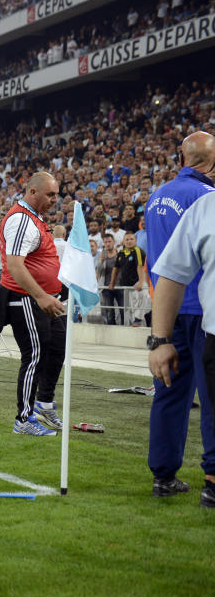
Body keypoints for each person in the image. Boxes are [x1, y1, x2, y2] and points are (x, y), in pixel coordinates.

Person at [144, 131, 215, 501]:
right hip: (202, 311)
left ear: (182, 157)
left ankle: (163, 476)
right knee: (210, 397)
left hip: (166, 311)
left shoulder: (156, 197)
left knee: (169, 391)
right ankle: (213, 479)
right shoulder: (207, 198)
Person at [0, 172, 66, 436]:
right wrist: (40, 295)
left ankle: (44, 403)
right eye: (50, 194)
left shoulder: (36, 219)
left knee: (57, 346)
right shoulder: (21, 219)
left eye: (56, 194)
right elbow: (13, 264)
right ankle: (23, 419)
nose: (54, 200)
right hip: (24, 299)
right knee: (34, 355)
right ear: (32, 192)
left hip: (44, 299)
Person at [109, 232, 148, 326]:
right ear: (123, 241)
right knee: (129, 310)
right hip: (125, 285)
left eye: (131, 239)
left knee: (143, 298)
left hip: (137, 283)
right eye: (127, 239)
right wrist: (112, 283)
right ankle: (132, 324)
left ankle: (139, 320)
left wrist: (141, 282)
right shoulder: (121, 253)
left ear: (136, 241)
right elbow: (116, 268)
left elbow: (140, 266)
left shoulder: (138, 251)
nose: (129, 241)